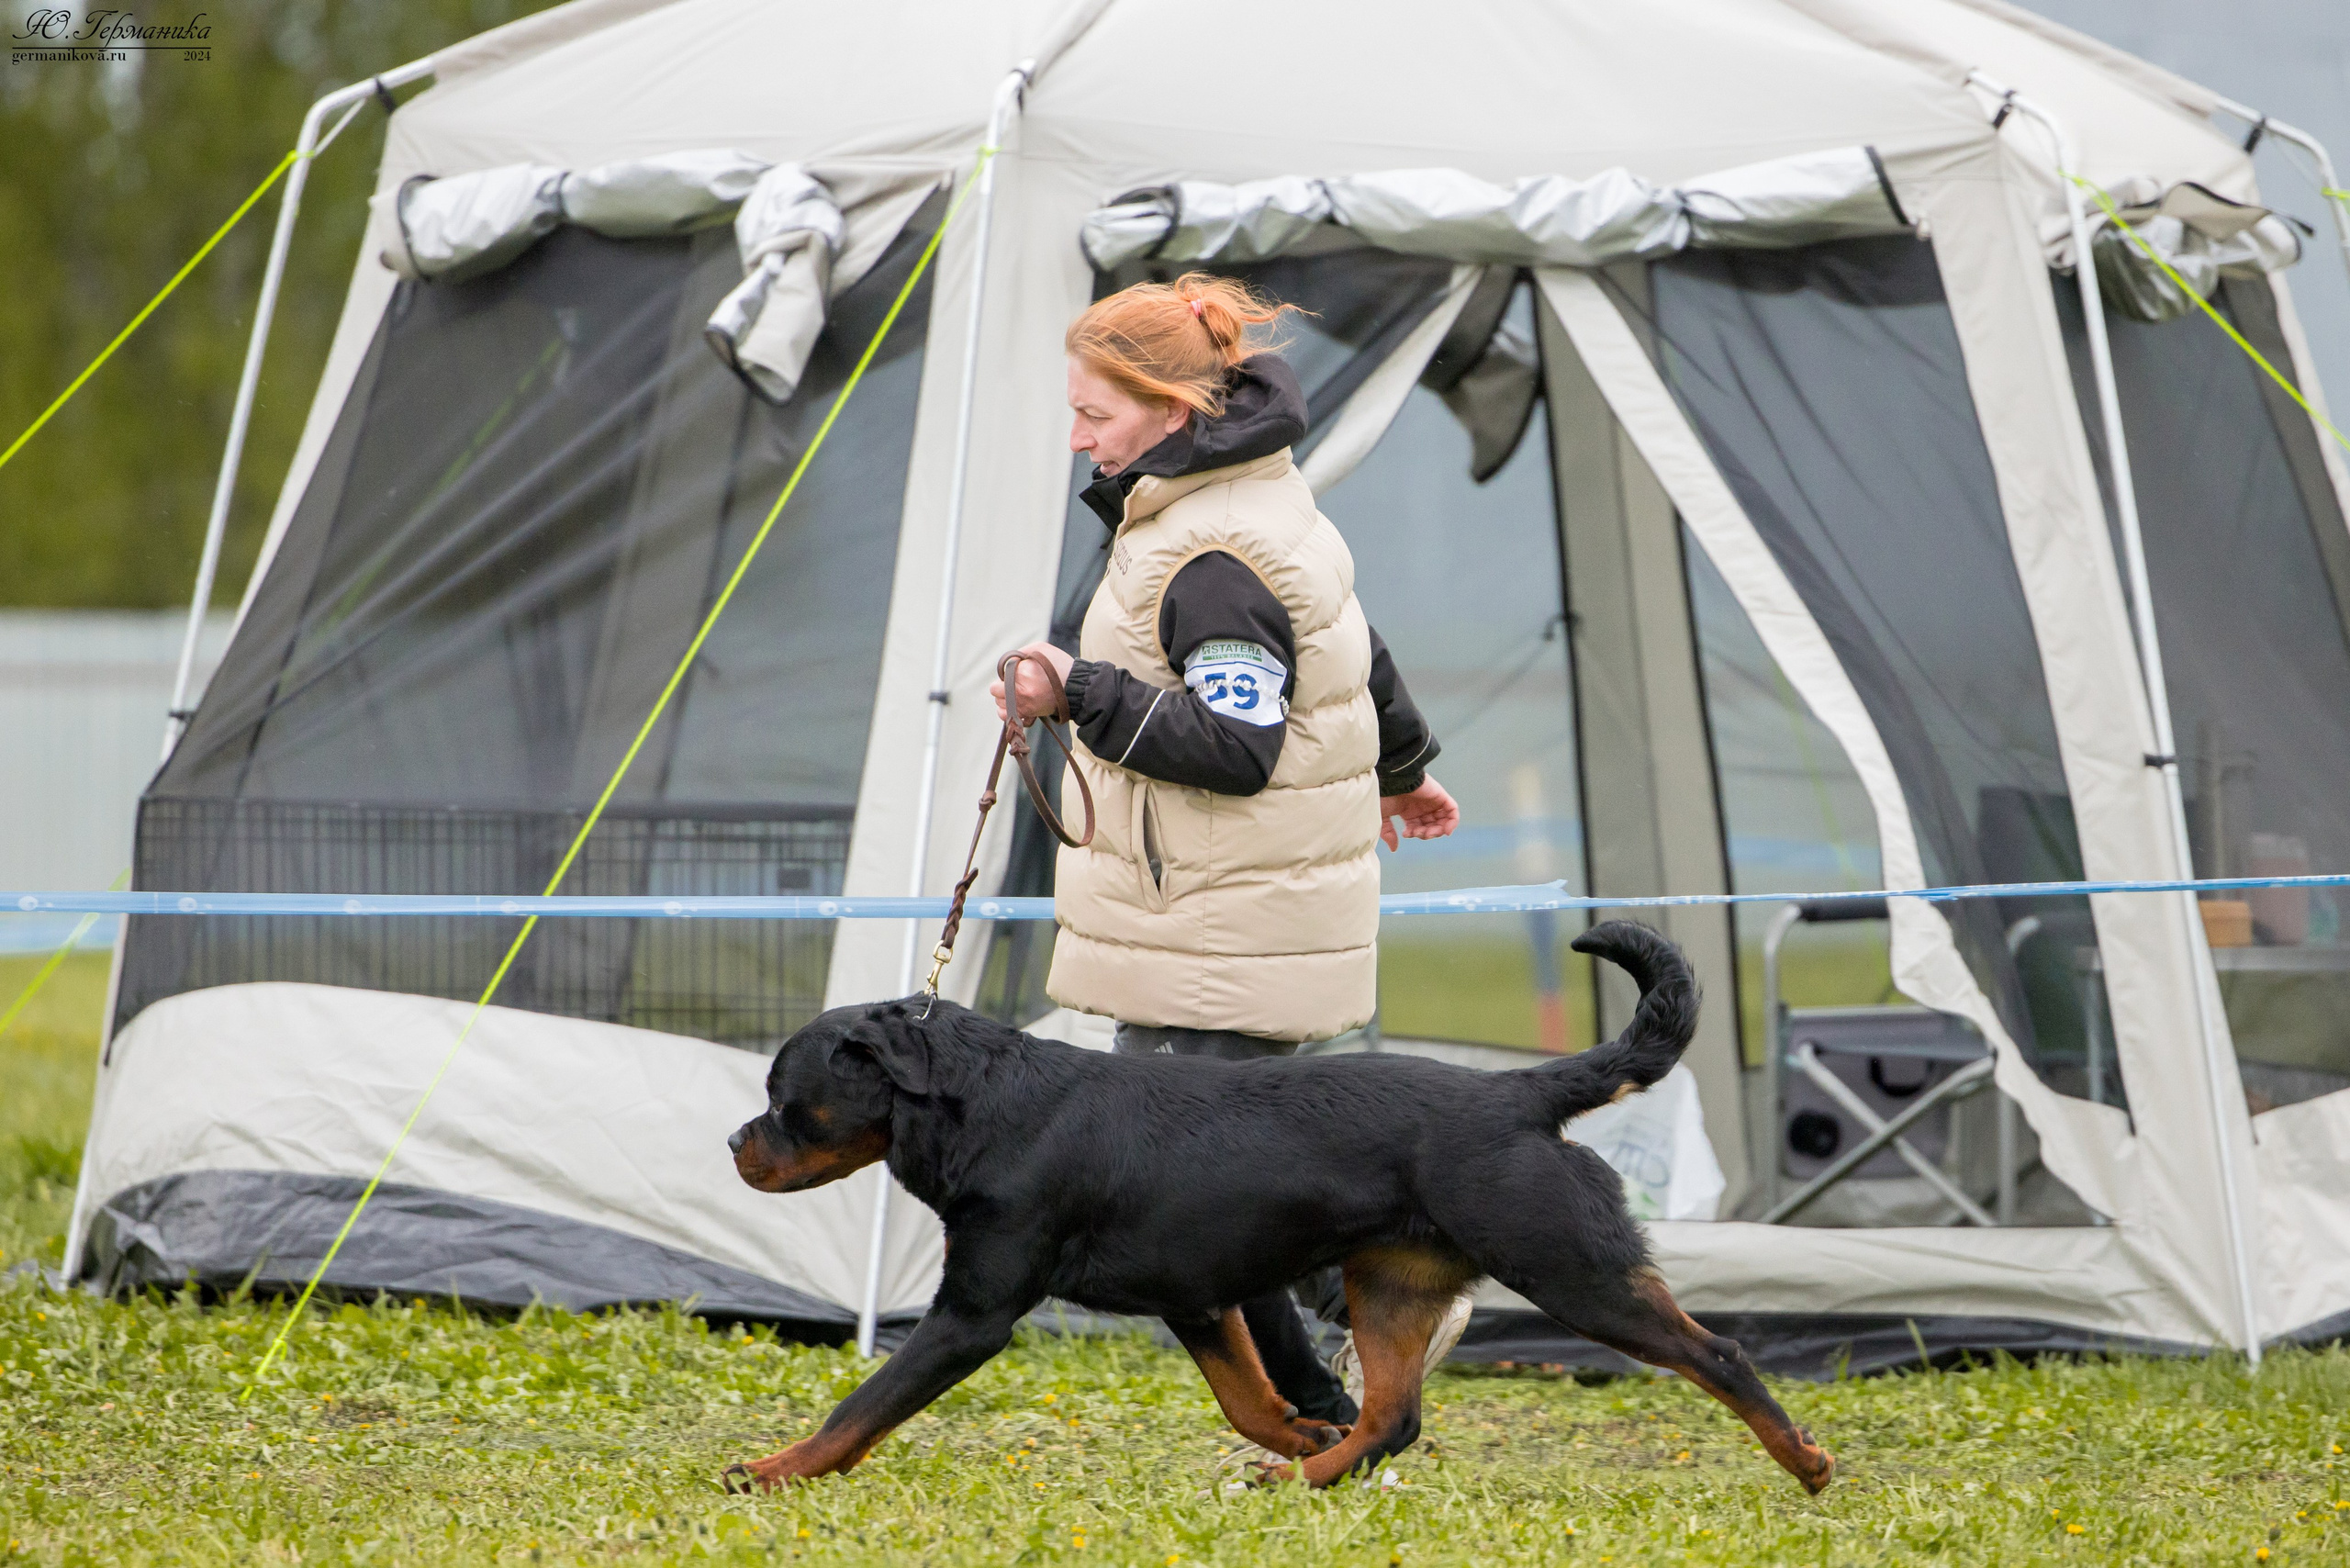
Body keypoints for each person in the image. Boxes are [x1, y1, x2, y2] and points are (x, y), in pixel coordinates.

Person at [990, 273, 1460, 1429]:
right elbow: (1351, 639)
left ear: (1166, 407)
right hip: (1207, 918)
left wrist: (1077, 688)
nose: (1076, 435)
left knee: (1203, 1198)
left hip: (1220, 926)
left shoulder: (1206, 555)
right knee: (1213, 1188)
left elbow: (1239, 747)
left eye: (1094, 413)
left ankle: (1389, 1304)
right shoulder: (1248, 501)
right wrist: (1401, 765)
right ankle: (1329, 1397)